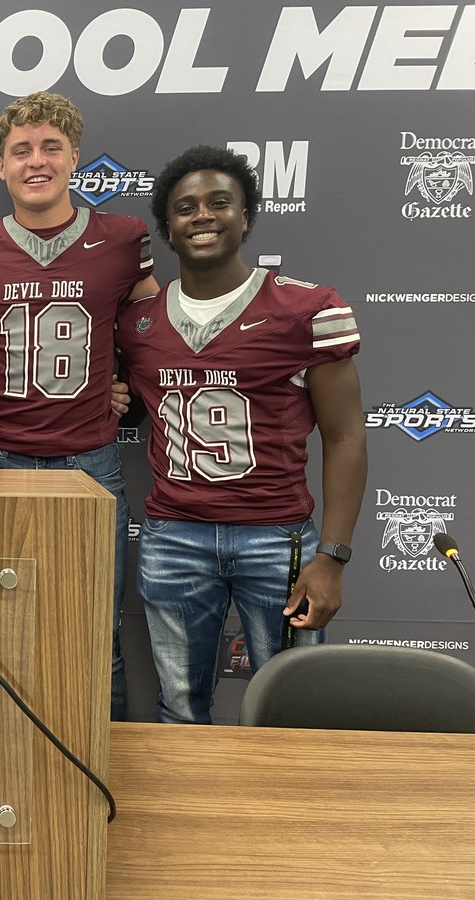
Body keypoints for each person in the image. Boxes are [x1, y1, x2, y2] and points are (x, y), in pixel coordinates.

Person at [116, 145, 365, 724]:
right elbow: (123, 400)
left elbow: (347, 435)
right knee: (180, 705)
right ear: (168, 231)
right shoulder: (138, 325)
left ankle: (286, 817)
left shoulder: (304, 311)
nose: (202, 215)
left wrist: (332, 555)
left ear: (246, 215)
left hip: (276, 538)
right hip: (174, 534)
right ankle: (190, 814)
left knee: (292, 708)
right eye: (185, 208)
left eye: (218, 202)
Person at [0, 92, 159, 720]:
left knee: (95, 633)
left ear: (74, 157)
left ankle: (106, 768)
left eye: (49, 148)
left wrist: (129, 387)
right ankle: (7, 765)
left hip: (87, 463)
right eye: (21, 151)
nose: (35, 161)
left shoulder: (123, 239)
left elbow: (154, 326)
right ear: (0, 166)